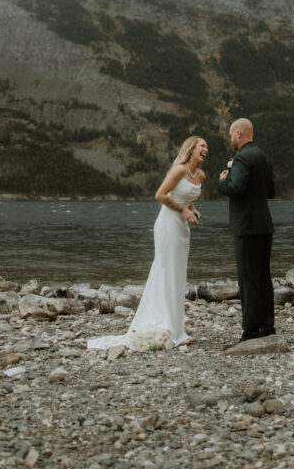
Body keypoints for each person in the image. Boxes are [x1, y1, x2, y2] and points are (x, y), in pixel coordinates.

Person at [87, 135, 208, 351]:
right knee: (166, 271)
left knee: (178, 274)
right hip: (168, 224)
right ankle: (168, 326)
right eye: (202, 145)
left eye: (207, 146)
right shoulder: (179, 169)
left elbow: (188, 196)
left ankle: (177, 328)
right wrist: (182, 210)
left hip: (182, 228)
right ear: (190, 149)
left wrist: (192, 209)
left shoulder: (200, 175)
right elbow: (160, 195)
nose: (206, 149)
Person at [217, 117, 275, 342]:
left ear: (239, 134)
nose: (231, 139)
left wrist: (223, 181)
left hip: (246, 226)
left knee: (247, 279)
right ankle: (267, 327)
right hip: (264, 224)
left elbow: (236, 187)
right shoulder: (263, 157)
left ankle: (250, 330)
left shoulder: (241, 158)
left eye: (231, 135)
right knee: (263, 278)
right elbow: (270, 191)